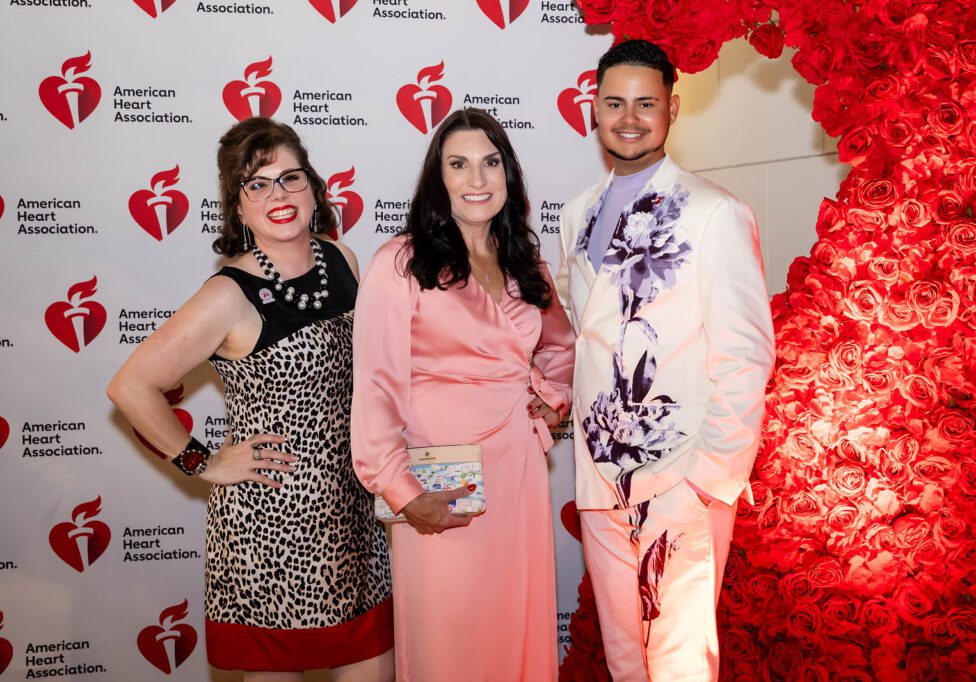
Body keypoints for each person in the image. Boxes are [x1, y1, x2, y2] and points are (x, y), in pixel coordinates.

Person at [107, 117, 394, 682]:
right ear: (237, 208)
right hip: (269, 532)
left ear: (313, 188)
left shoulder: (344, 260)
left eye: (290, 178)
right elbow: (130, 386)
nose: (278, 195)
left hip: (354, 521)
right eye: (257, 184)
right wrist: (201, 461)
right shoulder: (227, 294)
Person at [555, 40, 775, 681]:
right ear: (593, 109)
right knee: (626, 660)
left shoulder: (715, 213)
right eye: (615, 102)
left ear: (672, 109)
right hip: (599, 482)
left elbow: (746, 355)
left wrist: (707, 480)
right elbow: (584, 334)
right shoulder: (575, 214)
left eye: (646, 103)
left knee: (679, 663)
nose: (630, 117)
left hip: (682, 479)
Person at [350, 107, 575, 682]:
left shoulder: (527, 266)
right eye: (459, 164)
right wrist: (401, 491)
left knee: (515, 632)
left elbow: (560, 350)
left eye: (490, 163)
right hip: (439, 485)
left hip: (518, 475)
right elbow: (376, 386)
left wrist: (550, 400)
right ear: (438, 179)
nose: (476, 179)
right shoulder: (400, 263)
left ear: (509, 176)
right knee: (448, 642)